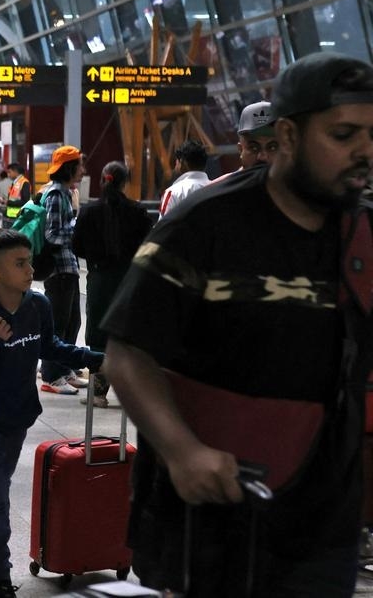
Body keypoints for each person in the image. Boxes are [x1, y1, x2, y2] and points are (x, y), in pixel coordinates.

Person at [101, 52, 373, 595]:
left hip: (324, 520)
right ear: (289, 136)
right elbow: (127, 355)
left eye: (371, 136)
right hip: (210, 514)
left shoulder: (363, 236)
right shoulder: (206, 223)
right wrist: (182, 451)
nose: (363, 152)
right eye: (343, 135)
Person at [0, 229, 104, 598]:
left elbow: (51, 347)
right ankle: (0, 578)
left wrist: (97, 359)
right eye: (20, 263)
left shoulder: (37, 306)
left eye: (29, 261)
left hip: (17, 417)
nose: (30, 269)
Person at [70, 161, 152, 407]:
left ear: (102, 180)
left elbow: (77, 246)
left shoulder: (88, 211)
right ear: (124, 182)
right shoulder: (138, 212)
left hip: (99, 279)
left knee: (97, 333)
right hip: (129, 280)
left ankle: (98, 393)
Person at [37, 145, 89, 396]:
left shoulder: (65, 193)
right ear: (69, 167)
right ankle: (50, 375)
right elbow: (53, 234)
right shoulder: (57, 194)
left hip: (67, 267)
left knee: (72, 323)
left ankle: (64, 369)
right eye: (79, 165)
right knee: (57, 325)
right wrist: (78, 227)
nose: (83, 170)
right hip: (58, 270)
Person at [214, 101, 277, 183]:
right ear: (240, 149)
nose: (263, 156)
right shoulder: (221, 191)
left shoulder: (295, 190)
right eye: (254, 148)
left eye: (272, 148)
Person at [158, 139, 209, 218]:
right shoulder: (218, 189)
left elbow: (164, 227)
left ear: (182, 162)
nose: (175, 167)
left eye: (176, 161)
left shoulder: (173, 193)